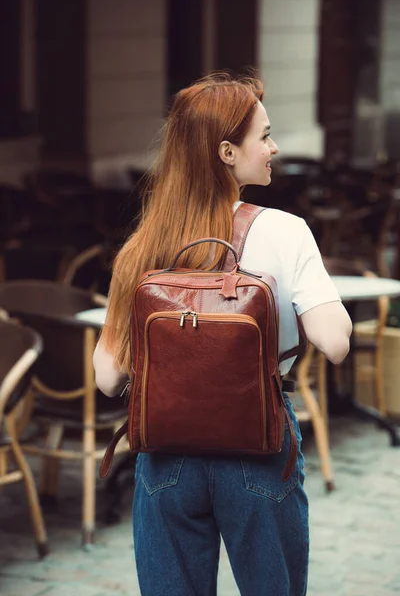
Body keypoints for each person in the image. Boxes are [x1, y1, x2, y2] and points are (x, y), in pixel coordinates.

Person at [93, 72, 352, 596]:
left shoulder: (145, 244)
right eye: (265, 135)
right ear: (227, 152)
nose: (275, 147)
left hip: (167, 452)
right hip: (257, 444)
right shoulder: (284, 230)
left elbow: (105, 378)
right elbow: (336, 343)